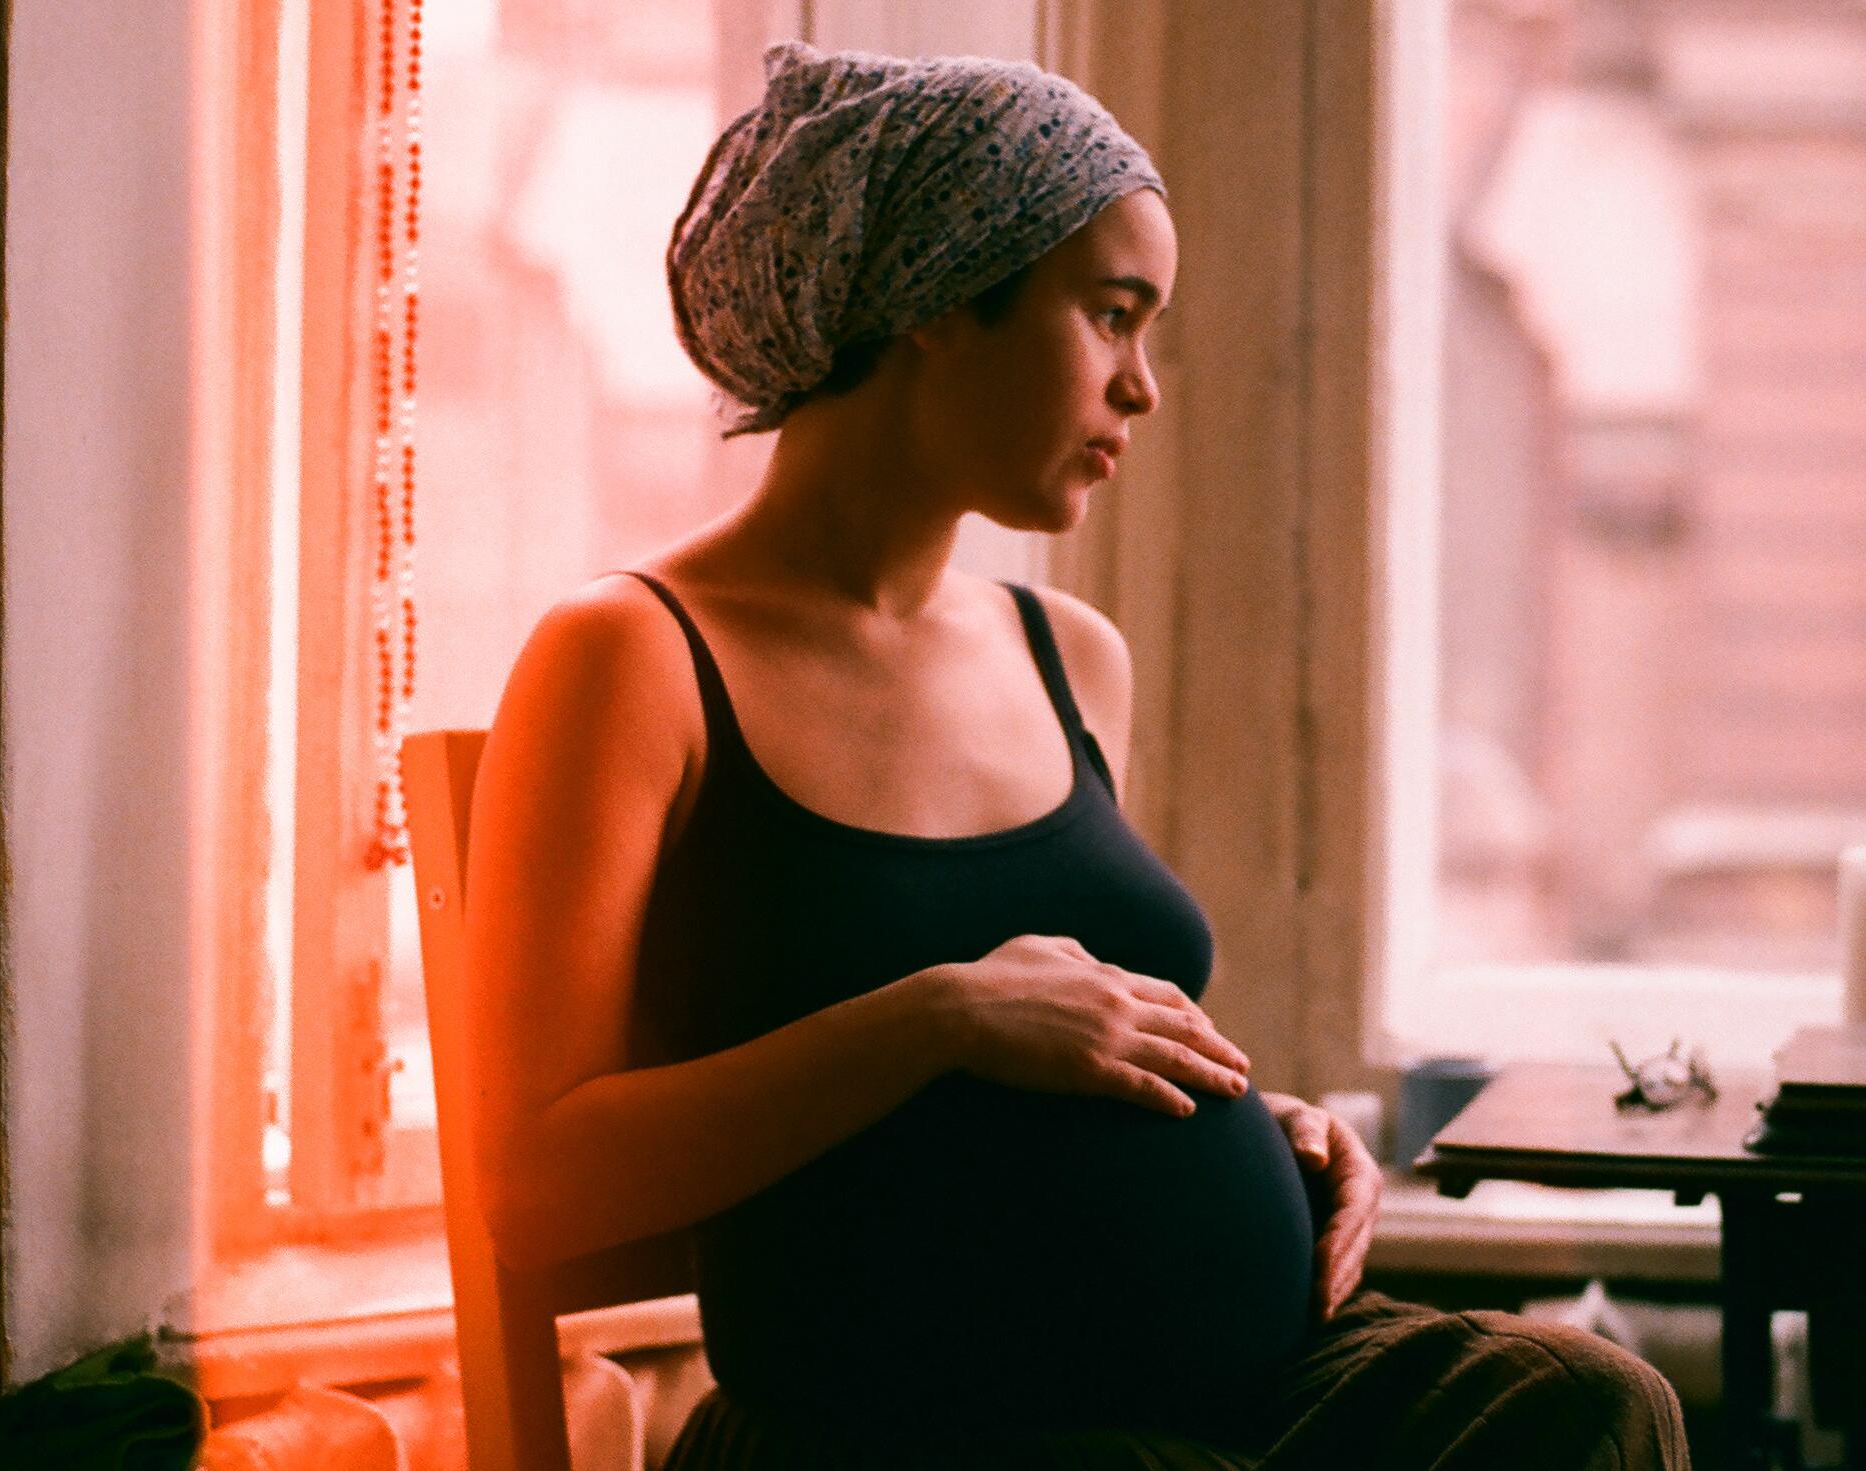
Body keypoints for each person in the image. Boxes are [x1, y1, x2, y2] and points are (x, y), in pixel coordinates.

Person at [462, 40, 1694, 1471]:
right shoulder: (636, 657)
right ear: (935, 302)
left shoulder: (1071, 658)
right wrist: (937, 1017)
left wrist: (1244, 1119)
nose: (1143, 388)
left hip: (1227, 1385)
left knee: (1593, 1405)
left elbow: (1074, 1055)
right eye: (1111, 317)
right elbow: (528, 1182)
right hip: (889, 1421)